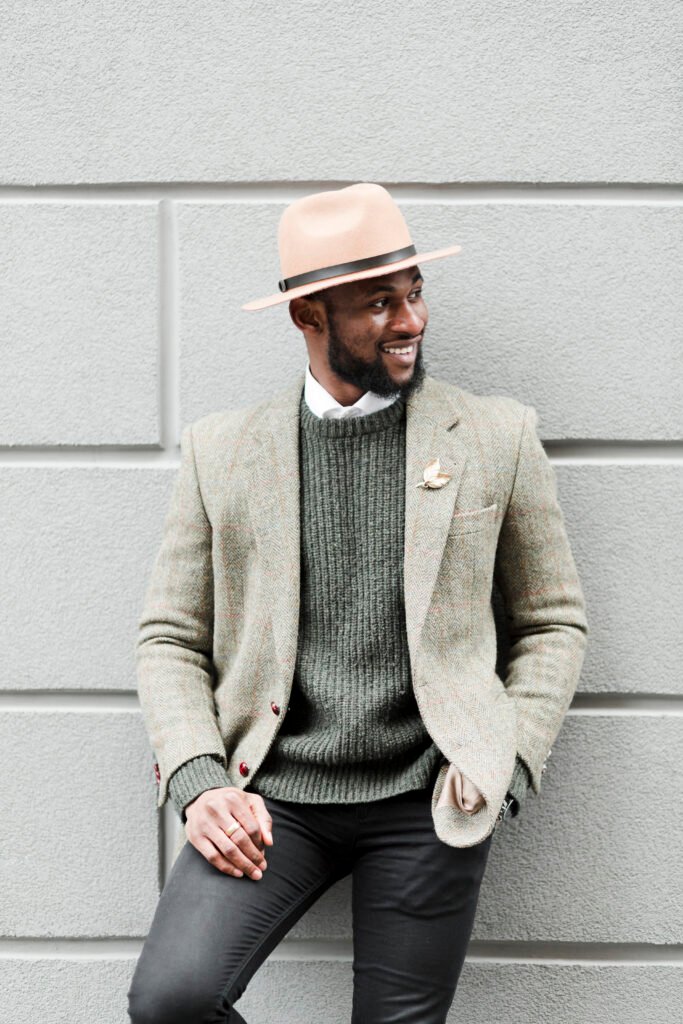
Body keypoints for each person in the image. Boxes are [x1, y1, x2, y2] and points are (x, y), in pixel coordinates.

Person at [127, 183, 588, 1024]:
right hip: (270, 794)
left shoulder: (496, 437)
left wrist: (504, 763)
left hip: (428, 798)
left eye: (414, 292)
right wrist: (199, 781)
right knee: (172, 1000)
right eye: (379, 303)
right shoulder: (221, 451)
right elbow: (170, 638)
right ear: (307, 315)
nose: (411, 320)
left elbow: (551, 621)